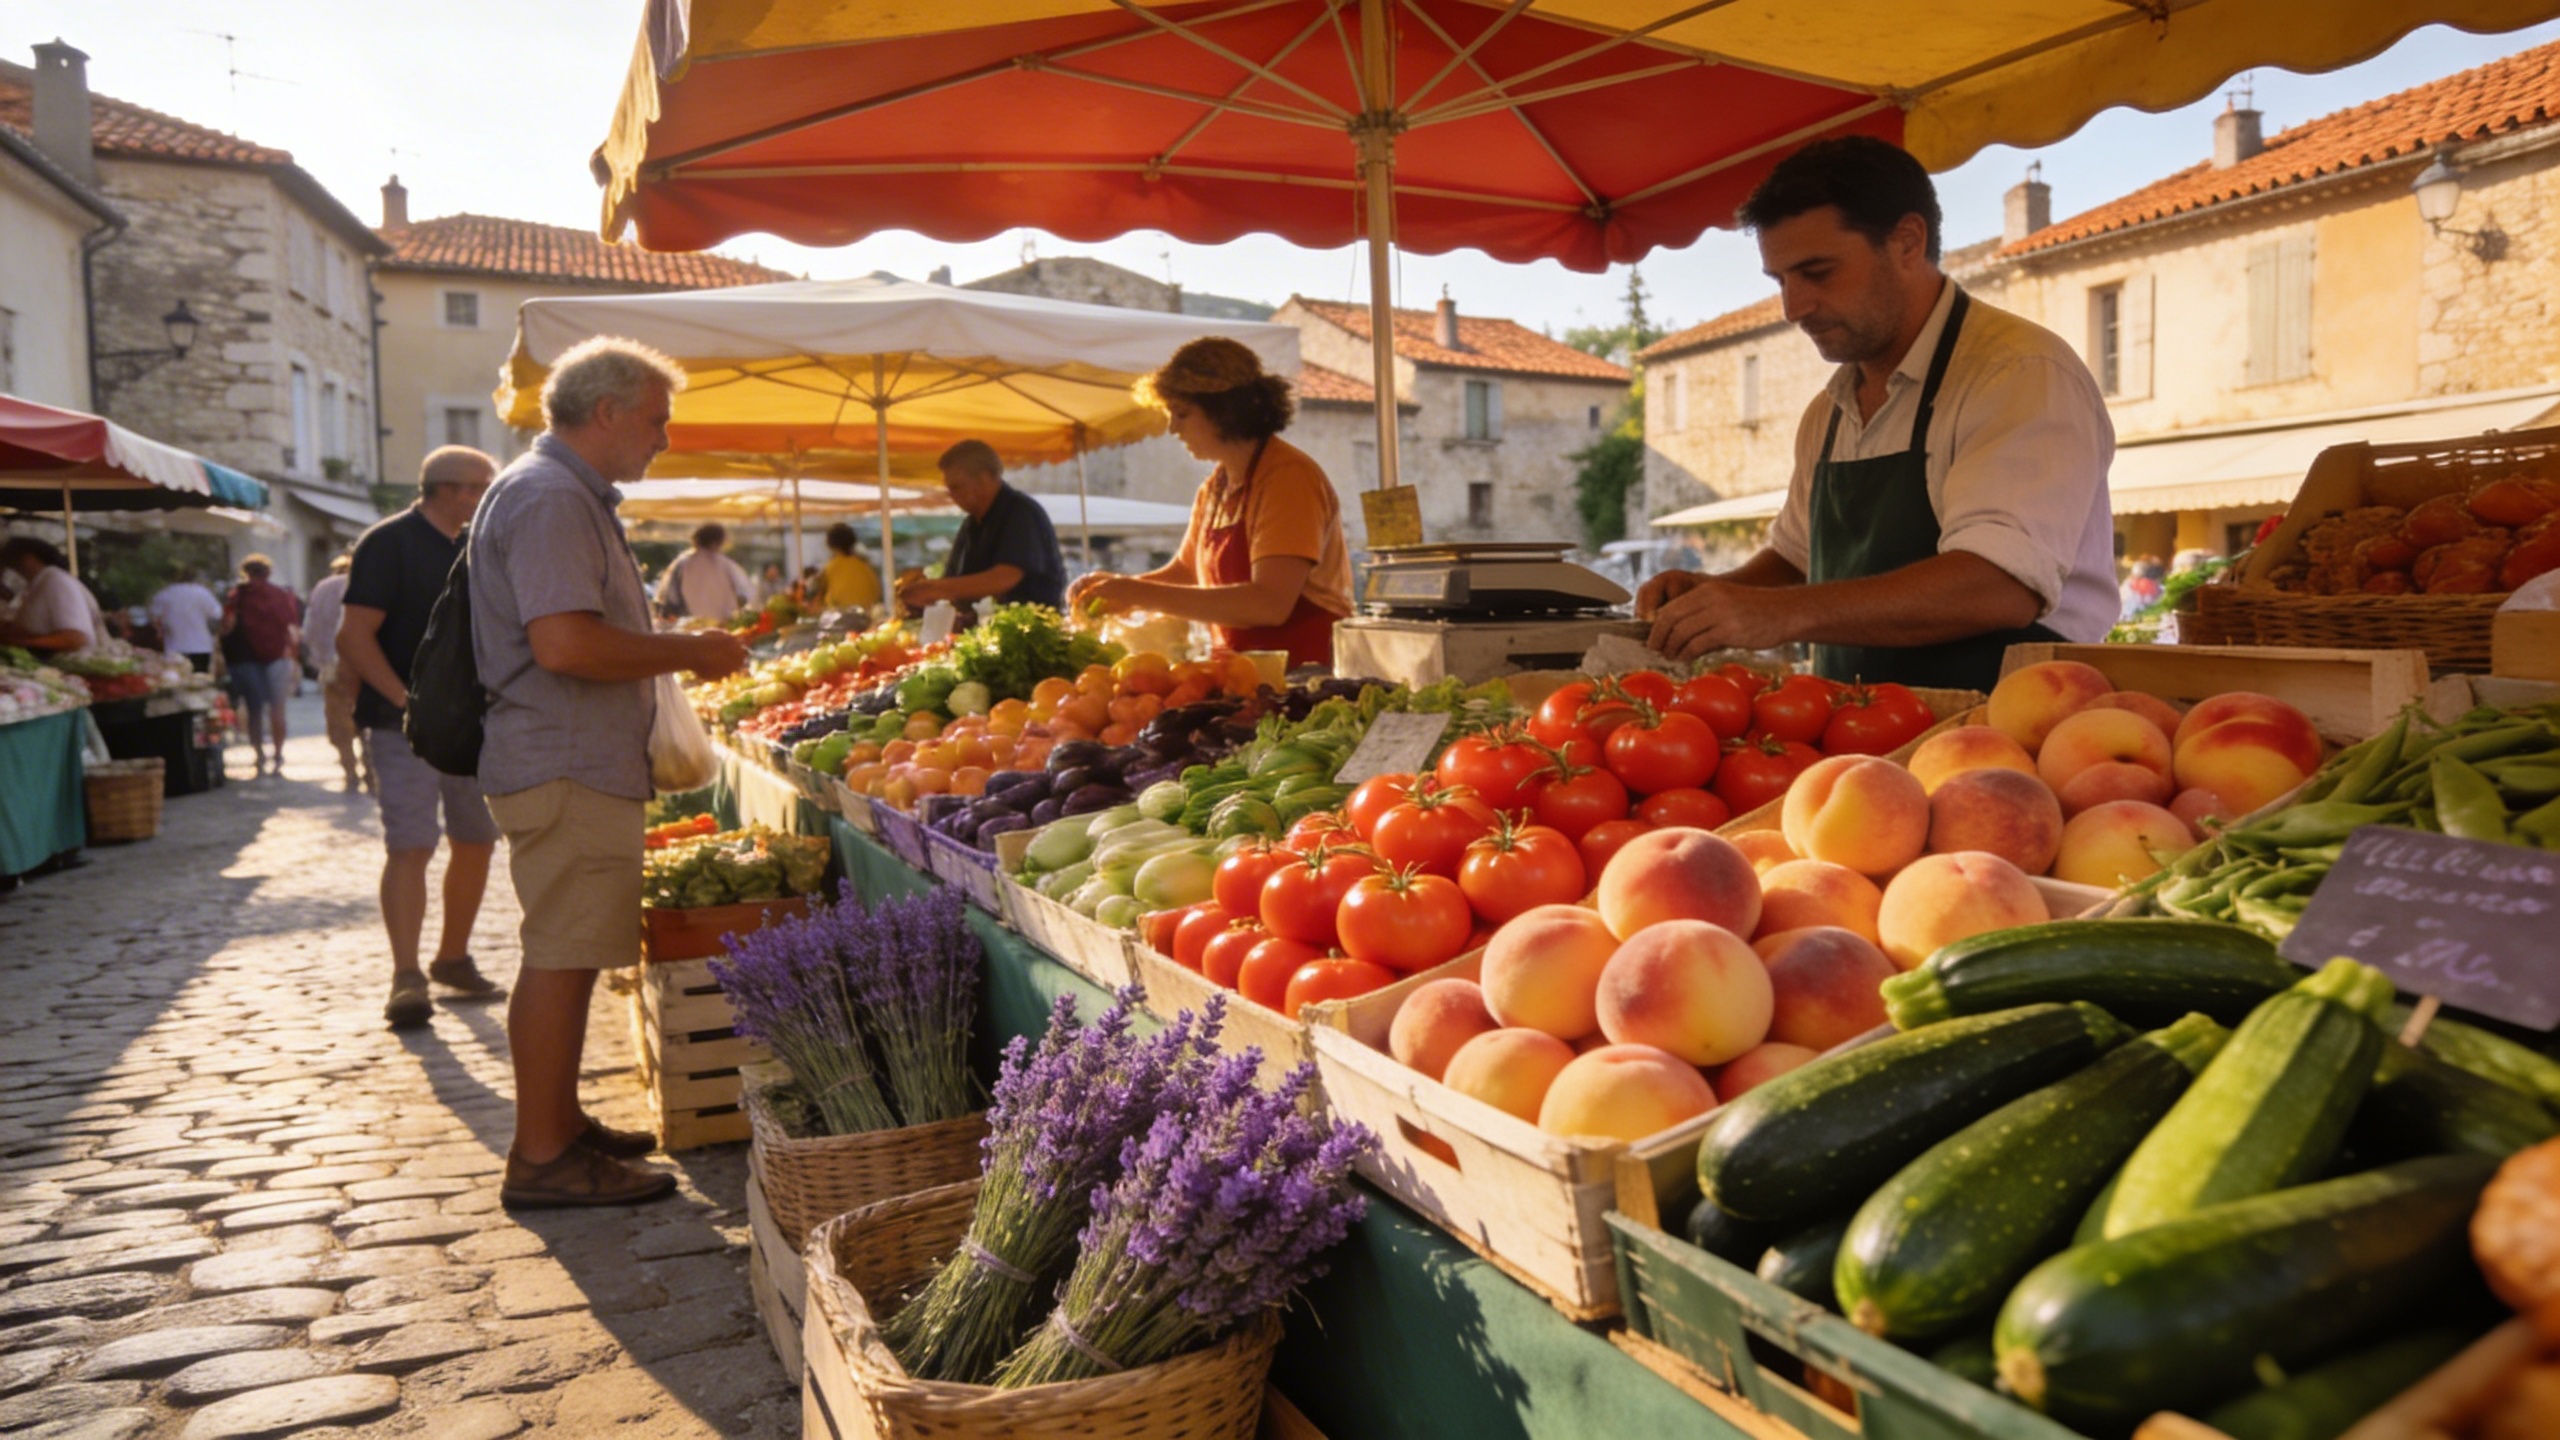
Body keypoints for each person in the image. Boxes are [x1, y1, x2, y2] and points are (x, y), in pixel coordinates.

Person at [1636, 137, 2117, 691]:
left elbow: (1999, 585)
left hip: (2010, 734)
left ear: (1908, 242)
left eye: (1817, 272)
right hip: (1858, 738)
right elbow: (1797, 564)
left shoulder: (2018, 374)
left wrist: (1781, 614)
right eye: (1781, 281)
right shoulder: (1829, 412)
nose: (1795, 308)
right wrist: (1715, 595)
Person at [469, 336, 748, 1207]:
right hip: (565, 759)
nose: (662, 440)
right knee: (559, 954)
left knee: (573, 951)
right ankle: (544, 1157)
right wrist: (687, 651)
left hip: (568, 757)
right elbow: (565, 643)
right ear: (608, 412)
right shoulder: (551, 497)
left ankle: (558, 1123)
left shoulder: (555, 491)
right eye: (657, 421)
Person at [339, 447, 508, 1029]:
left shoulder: (479, 542)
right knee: (410, 845)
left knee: (476, 839)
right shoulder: (387, 543)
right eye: (479, 487)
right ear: (449, 489)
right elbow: (354, 636)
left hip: (471, 723)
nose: (485, 496)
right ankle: (406, 975)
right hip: (401, 723)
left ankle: (452, 957)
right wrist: (403, 701)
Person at [1066, 338, 1352, 669]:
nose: (1173, 428)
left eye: (1182, 414)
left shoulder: (1287, 478)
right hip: (1241, 672)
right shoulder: (1215, 488)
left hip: (1306, 676)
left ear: (1225, 412)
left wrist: (1135, 593)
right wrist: (1115, 588)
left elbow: (1269, 604)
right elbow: (1187, 572)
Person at [896, 440, 1066, 615]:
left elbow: (1005, 577)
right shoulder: (971, 525)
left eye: (956, 487)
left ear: (983, 479)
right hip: (984, 634)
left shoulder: (1020, 512)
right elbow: (955, 582)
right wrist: (927, 594)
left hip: (1030, 634)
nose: (952, 496)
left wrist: (937, 588)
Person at [220, 554, 302, 776]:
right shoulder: (280, 594)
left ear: (245, 572)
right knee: (278, 708)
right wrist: (293, 657)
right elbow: (292, 628)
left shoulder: (236, 596)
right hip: (278, 656)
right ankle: (278, 753)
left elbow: (227, 627)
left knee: (254, 709)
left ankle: (259, 755)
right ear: (268, 572)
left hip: (246, 659)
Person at [303, 555, 370, 793]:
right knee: (367, 720)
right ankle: (371, 773)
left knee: (339, 722)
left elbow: (309, 630)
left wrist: (319, 658)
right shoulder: (367, 583)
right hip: (366, 664)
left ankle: (349, 771)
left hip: (331, 666)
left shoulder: (322, 588)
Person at [0, 537, 104, 653]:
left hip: (63, 667)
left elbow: (76, 638)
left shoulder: (55, 581)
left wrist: (20, 643)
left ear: (28, 558)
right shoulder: (38, 583)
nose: (9, 566)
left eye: (10, 560)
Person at [655, 522, 754, 622]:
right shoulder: (728, 566)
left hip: (688, 627)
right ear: (719, 542)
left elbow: (667, 597)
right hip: (722, 627)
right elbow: (746, 595)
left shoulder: (682, 564)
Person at [149, 566, 224, 672]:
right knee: (201, 680)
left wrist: (161, 631)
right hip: (201, 646)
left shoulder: (165, 594)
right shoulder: (202, 593)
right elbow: (217, 614)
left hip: (174, 647)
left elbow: (154, 617)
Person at [815, 522, 883, 611]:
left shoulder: (830, 568)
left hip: (841, 618)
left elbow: (820, 598)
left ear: (830, 544)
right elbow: (877, 593)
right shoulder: (865, 565)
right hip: (867, 616)